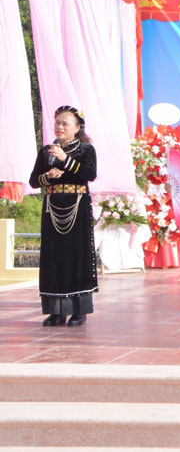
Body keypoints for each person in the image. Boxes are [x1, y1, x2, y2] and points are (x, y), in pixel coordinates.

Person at [28, 106, 98, 327]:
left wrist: (66, 160)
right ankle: (56, 311)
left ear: (77, 128)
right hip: (52, 208)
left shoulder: (86, 150)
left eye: (65, 123)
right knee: (53, 257)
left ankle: (78, 310)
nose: (59, 126)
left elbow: (90, 174)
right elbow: (33, 181)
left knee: (76, 256)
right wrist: (48, 176)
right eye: (57, 122)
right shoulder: (46, 151)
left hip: (77, 207)